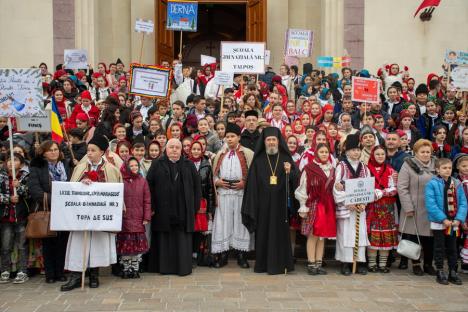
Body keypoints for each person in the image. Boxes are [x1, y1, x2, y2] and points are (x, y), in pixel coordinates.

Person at [61, 135, 122, 291]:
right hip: (81, 216)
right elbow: (71, 189)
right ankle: (76, 276)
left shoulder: (111, 169)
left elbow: (115, 193)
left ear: (102, 152)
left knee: (97, 245)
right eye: (88, 150)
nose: (89, 153)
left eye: (93, 150)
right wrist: (82, 183)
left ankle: (94, 274)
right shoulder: (80, 168)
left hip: (100, 217)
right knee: (78, 245)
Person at [241, 127, 299, 274]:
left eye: (274, 140)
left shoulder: (286, 158)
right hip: (263, 205)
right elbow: (252, 184)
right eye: (269, 140)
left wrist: (289, 172)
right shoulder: (258, 160)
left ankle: (282, 264)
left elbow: (295, 179)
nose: (271, 142)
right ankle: (262, 265)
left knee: (280, 234)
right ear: (264, 142)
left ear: (279, 142)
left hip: (280, 205)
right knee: (263, 233)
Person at [146, 139, 201, 276]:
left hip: (183, 211)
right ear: (166, 149)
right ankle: (165, 268)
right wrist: (151, 206)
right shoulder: (157, 164)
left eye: (177, 147)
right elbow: (149, 186)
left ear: (182, 149)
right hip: (162, 211)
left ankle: (182, 268)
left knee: (182, 240)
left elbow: (197, 187)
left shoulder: (189, 165)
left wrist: (194, 207)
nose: (174, 150)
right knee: (165, 239)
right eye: (172, 147)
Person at [28, 141, 71, 284]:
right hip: (47, 208)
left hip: (65, 209)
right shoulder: (37, 166)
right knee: (48, 242)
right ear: (43, 153)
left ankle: (60, 272)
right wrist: (56, 199)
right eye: (50, 150)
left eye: (56, 149)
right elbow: (35, 190)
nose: (54, 152)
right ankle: (50, 273)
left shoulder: (66, 164)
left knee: (62, 242)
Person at [211, 123, 254, 268]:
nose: (229, 139)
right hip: (224, 194)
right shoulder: (220, 154)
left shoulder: (248, 153)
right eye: (227, 137)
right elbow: (214, 174)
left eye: (232, 136)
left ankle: (241, 255)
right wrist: (218, 182)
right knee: (224, 222)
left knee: (240, 222)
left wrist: (245, 183)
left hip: (241, 193)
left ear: (239, 137)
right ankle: (223, 254)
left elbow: (253, 174)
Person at [295, 143, 336, 275]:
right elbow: (302, 188)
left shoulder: (332, 169)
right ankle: (311, 263)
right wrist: (303, 205)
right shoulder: (309, 168)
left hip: (327, 205)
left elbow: (334, 187)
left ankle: (319, 263)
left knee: (322, 236)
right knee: (313, 235)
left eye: (326, 152)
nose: (324, 154)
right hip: (313, 204)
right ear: (316, 153)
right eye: (322, 152)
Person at [333, 133, 371, 275]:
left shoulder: (364, 168)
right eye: (353, 150)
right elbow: (336, 187)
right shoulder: (341, 166)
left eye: (358, 150)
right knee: (345, 235)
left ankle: (359, 261)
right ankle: (345, 262)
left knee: (360, 234)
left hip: (359, 208)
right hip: (346, 208)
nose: (356, 152)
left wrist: (363, 202)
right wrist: (347, 202)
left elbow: (367, 187)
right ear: (347, 151)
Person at [397, 139, 437, 276]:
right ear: (416, 152)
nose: (426, 154)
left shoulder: (437, 164)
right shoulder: (408, 165)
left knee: (430, 238)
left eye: (428, 152)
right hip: (413, 207)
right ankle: (415, 264)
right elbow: (402, 187)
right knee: (413, 237)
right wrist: (408, 206)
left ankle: (428, 264)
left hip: (432, 209)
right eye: (422, 152)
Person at [425, 158, 467, 285]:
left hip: (453, 222)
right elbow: (431, 204)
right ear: (437, 169)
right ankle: (440, 270)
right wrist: (443, 219)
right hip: (440, 222)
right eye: (444, 168)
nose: (447, 170)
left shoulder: (457, 183)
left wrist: (459, 219)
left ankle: (452, 271)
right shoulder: (432, 184)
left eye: (449, 168)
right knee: (439, 247)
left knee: (452, 247)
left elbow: (463, 203)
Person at [366, 146, 398, 273]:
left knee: (386, 234)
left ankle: (383, 264)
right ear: (373, 155)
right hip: (372, 206)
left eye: (382, 154)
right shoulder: (366, 169)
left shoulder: (390, 170)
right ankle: (372, 263)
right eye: (377, 154)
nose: (380, 156)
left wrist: (383, 192)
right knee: (373, 236)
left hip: (387, 207)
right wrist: (372, 193)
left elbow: (394, 188)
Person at [117, 157, 151, 279]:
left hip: (138, 219)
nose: (134, 168)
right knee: (126, 247)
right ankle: (126, 268)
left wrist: (146, 216)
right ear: (126, 167)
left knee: (136, 248)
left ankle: (135, 268)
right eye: (131, 166)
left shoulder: (143, 181)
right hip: (124, 219)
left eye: (136, 165)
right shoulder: (121, 181)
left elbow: (147, 200)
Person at [0, 154, 30, 284]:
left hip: (21, 215)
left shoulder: (25, 176)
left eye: (15, 160)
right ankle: (5, 270)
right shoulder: (1, 176)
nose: (12, 163)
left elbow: (30, 193)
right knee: (6, 245)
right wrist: (8, 199)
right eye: (9, 160)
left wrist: (20, 187)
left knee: (22, 245)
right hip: (6, 217)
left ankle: (22, 271)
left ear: (21, 163)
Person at [188, 140, 215, 266]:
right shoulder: (186, 164)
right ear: (190, 150)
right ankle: (190, 254)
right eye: (194, 149)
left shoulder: (206, 165)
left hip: (202, 202)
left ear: (202, 150)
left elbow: (210, 189)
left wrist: (209, 210)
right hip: (188, 202)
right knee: (190, 228)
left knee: (200, 229)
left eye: (198, 149)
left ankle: (199, 255)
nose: (196, 151)